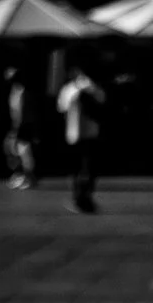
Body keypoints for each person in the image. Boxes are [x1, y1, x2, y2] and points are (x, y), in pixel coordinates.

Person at [56, 62, 105, 214]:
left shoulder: (70, 89)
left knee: (79, 168)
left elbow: (61, 108)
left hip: (75, 134)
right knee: (88, 168)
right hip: (88, 133)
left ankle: (81, 198)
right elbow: (102, 100)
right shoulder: (92, 87)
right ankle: (84, 198)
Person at [2, 67, 37, 189]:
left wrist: (22, 128)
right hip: (15, 125)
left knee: (24, 152)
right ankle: (19, 175)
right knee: (11, 150)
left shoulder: (24, 92)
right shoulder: (13, 91)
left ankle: (29, 178)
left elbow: (26, 113)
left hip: (24, 127)